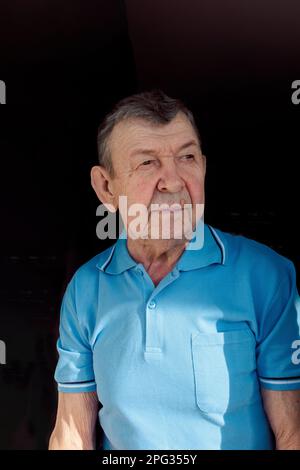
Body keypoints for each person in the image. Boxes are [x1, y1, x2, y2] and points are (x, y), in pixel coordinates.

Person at [49, 90, 300, 450]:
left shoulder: (265, 275)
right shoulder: (86, 288)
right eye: (148, 163)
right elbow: (71, 433)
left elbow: (293, 433)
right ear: (106, 187)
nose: (174, 180)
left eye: (187, 157)